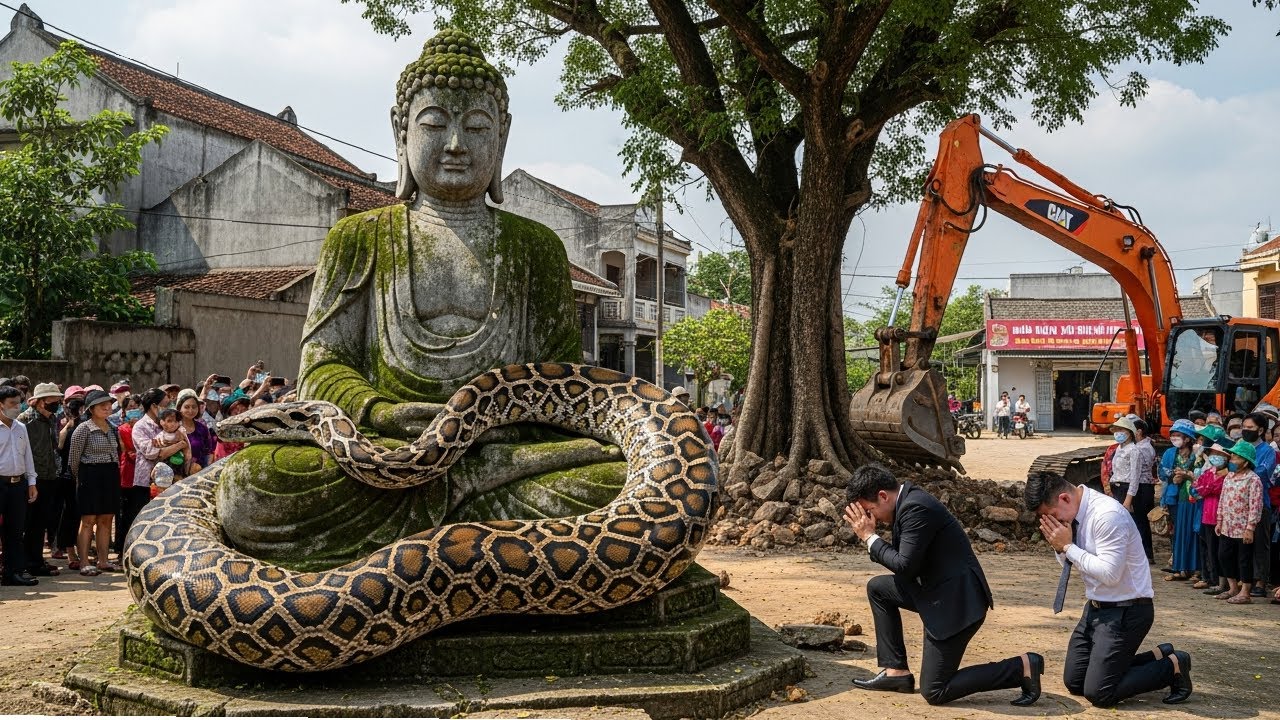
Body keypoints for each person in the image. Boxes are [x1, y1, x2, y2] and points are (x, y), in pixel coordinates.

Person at [843, 463, 1040, 706]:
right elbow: (907, 564)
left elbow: (904, 565)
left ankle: (1022, 667)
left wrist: (869, 537)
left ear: (883, 496)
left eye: (869, 510)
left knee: (935, 690)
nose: (870, 518)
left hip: (957, 605)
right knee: (879, 589)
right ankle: (896, 671)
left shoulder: (915, 507)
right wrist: (872, 539)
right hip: (935, 591)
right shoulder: (905, 504)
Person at [1026, 471, 1192, 706]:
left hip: (1127, 610)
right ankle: (1157, 656)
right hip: (1095, 608)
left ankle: (1172, 666)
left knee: (1099, 693)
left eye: (1052, 515)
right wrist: (1060, 546)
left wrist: (1068, 546)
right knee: (1076, 682)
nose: (1053, 522)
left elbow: (1110, 574)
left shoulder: (1107, 515)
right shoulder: (1073, 515)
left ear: (1064, 498)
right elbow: (1069, 563)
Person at [67, 390, 122, 577]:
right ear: (91, 409)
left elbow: (117, 454)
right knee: (88, 520)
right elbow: (73, 460)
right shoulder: (83, 429)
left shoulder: (112, 427)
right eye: (102, 405)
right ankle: (84, 562)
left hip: (110, 474)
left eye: (109, 404)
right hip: (89, 475)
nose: (107, 407)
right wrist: (81, 479)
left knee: (106, 519)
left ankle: (103, 560)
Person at [1213, 438, 1263, 604]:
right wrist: (1219, 520)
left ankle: (1245, 592)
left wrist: (1250, 528)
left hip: (1243, 527)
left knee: (1244, 559)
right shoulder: (1229, 476)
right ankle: (1233, 587)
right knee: (1224, 556)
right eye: (1232, 456)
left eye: (1236, 457)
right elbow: (1223, 499)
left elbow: (1255, 505)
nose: (1232, 459)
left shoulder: (1253, 479)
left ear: (1246, 462)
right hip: (1227, 525)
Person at [21, 383, 62, 578]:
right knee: (30, 522)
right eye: (53, 399)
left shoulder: (52, 419)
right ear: (40, 401)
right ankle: (28, 562)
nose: (57, 403)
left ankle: (36, 560)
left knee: (41, 522)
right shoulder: (25, 420)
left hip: (50, 475)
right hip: (32, 478)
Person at [0, 386, 38, 586]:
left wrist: (31, 482)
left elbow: (27, 457)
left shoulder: (21, 427)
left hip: (18, 485)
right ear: (1, 405)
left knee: (15, 531)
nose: (16, 407)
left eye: (18, 403)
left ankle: (13, 572)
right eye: (12, 403)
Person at [1158, 419, 1199, 581]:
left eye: (1178, 435)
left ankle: (1196, 569)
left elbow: (1202, 473)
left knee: (1193, 533)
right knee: (1177, 533)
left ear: (1187, 438)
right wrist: (1173, 476)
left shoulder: (1197, 454)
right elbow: (1162, 473)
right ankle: (1179, 568)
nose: (1174, 438)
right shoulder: (1170, 453)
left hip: (1193, 498)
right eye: (1172, 435)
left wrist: (1186, 475)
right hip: (1175, 498)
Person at [1240, 412, 1275, 598]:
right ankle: (1245, 579)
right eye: (1244, 427)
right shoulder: (1239, 446)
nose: (1245, 430)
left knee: (1260, 543)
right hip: (1239, 504)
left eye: (1250, 428)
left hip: (1260, 503)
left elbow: (1263, 472)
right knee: (1242, 544)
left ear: (1260, 430)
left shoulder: (1268, 451)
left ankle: (1260, 581)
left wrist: (1244, 469)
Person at [1191, 425, 1227, 593]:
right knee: (1209, 548)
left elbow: (1207, 488)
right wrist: (1203, 487)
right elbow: (1196, 488)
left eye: (1219, 455)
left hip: (1220, 517)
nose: (1215, 457)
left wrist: (1204, 487)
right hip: (1206, 515)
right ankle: (1212, 578)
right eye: (1213, 454)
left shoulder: (1226, 475)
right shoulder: (1209, 471)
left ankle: (1220, 580)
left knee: (1219, 551)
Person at [176, 390, 215, 470]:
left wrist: (206, 470)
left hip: (200, 471)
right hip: (178, 473)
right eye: (187, 407)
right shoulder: (174, 429)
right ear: (179, 408)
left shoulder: (202, 428)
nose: (191, 411)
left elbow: (209, 451)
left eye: (194, 407)